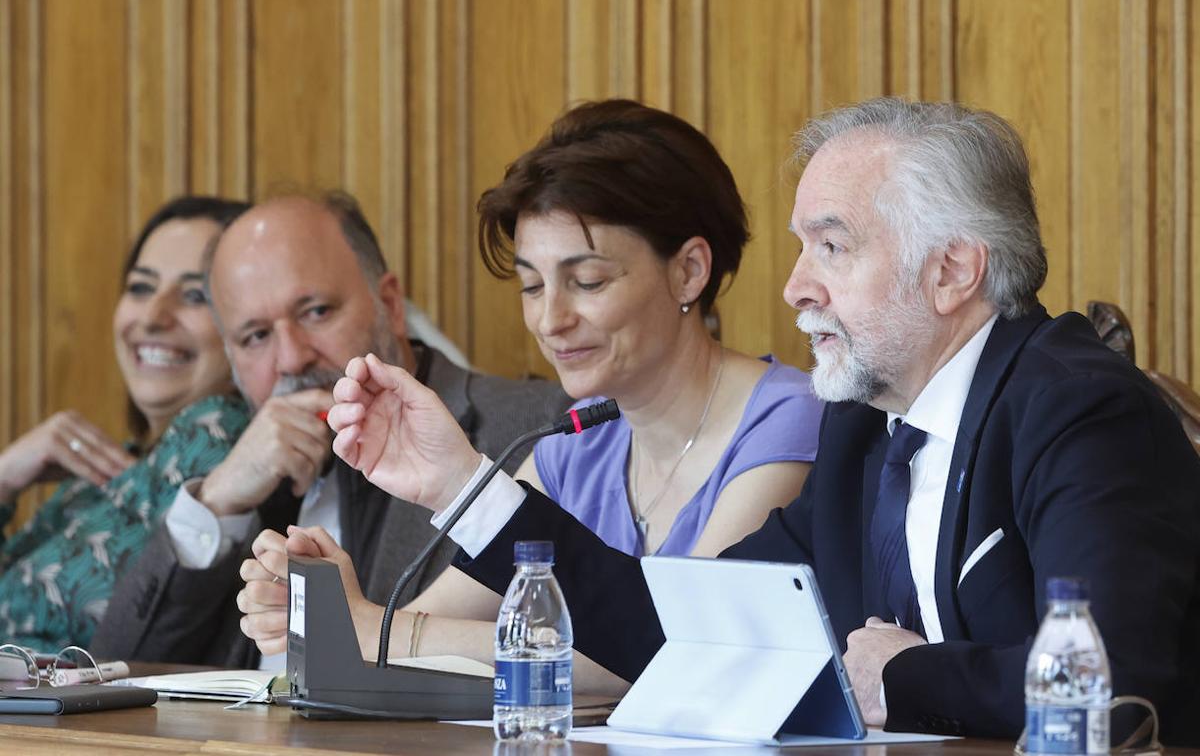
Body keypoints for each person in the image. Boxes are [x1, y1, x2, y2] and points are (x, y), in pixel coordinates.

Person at [324, 98, 1200, 744]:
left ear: (953, 271)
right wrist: (457, 485)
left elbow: (1112, 678)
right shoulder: (862, 432)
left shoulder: (1079, 409)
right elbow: (683, 624)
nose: (794, 288)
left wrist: (900, 673)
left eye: (832, 246)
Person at [236, 100, 822, 693]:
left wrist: (375, 632)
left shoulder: (787, 420)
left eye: (587, 282)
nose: (550, 319)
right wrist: (337, 610)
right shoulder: (576, 449)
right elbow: (420, 629)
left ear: (690, 271)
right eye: (531, 286)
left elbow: (683, 652)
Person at [91, 192, 572, 668]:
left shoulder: (536, 430)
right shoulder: (235, 459)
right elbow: (116, 674)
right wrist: (219, 502)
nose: (292, 357)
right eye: (256, 336)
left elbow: (571, 651)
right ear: (232, 358)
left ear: (390, 305)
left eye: (316, 312)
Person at [0, 196, 251, 651]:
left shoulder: (219, 429)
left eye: (195, 295)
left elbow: (122, 634)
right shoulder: (108, 470)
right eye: (140, 287)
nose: (153, 317)